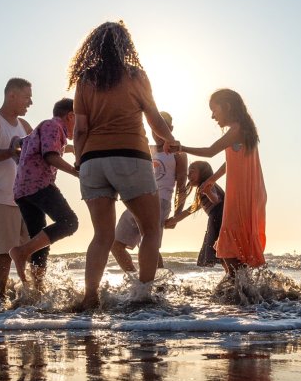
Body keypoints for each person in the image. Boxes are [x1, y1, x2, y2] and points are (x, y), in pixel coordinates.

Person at [69, 20, 176, 310]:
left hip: (93, 162)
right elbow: (153, 117)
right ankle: (143, 294)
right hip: (130, 156)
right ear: (125, 46)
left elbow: (79, 129)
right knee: (150, 228)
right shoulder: (135, 75)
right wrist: (171, 140)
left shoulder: (85, 80)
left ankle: (90, 295)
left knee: (102, 235)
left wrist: (81, 159)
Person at [170, 89, 267, 274]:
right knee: (234, 250)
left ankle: (239, 290)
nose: (213, 116)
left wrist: (181, 147)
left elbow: (210, 151)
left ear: (227, 107)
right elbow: (230, 161)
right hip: (251, 193)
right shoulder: (244, 130)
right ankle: (247, 292)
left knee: (229, 250)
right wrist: (213, 179)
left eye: (214, 110)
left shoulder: (236, 129)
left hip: (241, 195)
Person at [10, 99, 80, 285]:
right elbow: (50, 155)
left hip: (22, 191)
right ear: (70, 116)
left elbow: (18, 144)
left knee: (40, 241)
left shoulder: (43, 129)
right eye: (80, 120)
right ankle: (21, 252)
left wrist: (72, 149)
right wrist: (77, 173)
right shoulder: (53, 125)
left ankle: (37, 290)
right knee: (69, 222)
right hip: (38, 185)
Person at [111, 111, 188, 273]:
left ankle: (155, 286)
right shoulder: (146, 149)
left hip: (161, 201)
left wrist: (177, 215)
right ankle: (138, 283)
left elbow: (182, 185)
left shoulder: (178, 153)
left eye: (163, 127)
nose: (158, 132)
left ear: (171, 128)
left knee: (150, 244)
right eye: (154, 128)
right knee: (116, 245)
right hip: (140, 200)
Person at [0, 77, 33, 297]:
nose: (30, 102)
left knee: (29, 252)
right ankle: (0, 302)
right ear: (12, 96)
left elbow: (42, 147)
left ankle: (26, 297)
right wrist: (11, 152)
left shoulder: (25, 126)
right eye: (27, 97)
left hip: (24, 199)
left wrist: (71, 149)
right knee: (4, 255)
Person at [164, 160, 226, 266]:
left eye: (192, 171)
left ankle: (232, 276)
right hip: (217, 218)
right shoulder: (201, 189)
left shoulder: (207, 184)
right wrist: (172, 221)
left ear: (203, 173)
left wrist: (208, 192)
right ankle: (232, 276)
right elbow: (190, 210)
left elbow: (216, 200)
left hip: (219, 218)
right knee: (221, 251)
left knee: (221, 250)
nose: (188, 175)